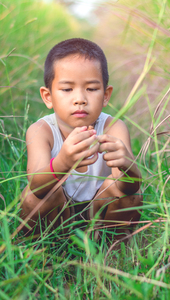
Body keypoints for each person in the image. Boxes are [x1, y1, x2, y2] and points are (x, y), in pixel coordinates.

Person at [20, 38, 142, 240]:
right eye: (67, 89)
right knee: (32, 199)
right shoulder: (41, 130)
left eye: (92, 89)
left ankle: (112, 250)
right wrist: (63, 162)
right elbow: (37, 186)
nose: (80, 99)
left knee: (132, 196)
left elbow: (128, 189)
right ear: (48, 96)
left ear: (105, 95)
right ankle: (47, 254)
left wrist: (129, 167)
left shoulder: (113, 128)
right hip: (58, 214)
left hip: (101, 213)